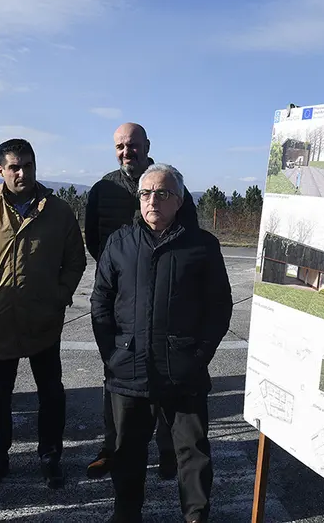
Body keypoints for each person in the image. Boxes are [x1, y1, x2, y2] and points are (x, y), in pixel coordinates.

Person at [91, 163, 232, 523]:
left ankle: (196, 515)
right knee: (128, 451)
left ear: (179, 199)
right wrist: (112, 354)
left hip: (182, 371)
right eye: (146, 193)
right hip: (129, 370)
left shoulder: (201, 246)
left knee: (193, 454)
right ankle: (126, 512)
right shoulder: (119, 243)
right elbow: (101, 302)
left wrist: (199, 356)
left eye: (163, 193)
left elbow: (219, 307)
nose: (153, 200)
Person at [0, 138, 86, 495]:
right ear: (1, 170)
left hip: (43, 319)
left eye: (28, 165)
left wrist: (59, 296)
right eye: (14, 167)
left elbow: (76, 259)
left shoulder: (57, 211)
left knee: (51, 393)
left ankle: (50, 460)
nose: (22, 173)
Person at [84, 122, 197, 480]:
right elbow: (93, 239)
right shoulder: (103, 187)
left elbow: (189, 237)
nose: (126, 152)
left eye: (132, 145)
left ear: (147, 145)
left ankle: (167, 450)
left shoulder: (169, 183)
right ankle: (112, 447)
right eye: (119, 146)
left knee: (162, 375)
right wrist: (115, 274)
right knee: (114, 374)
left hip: (163, 296)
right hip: (120, 297)